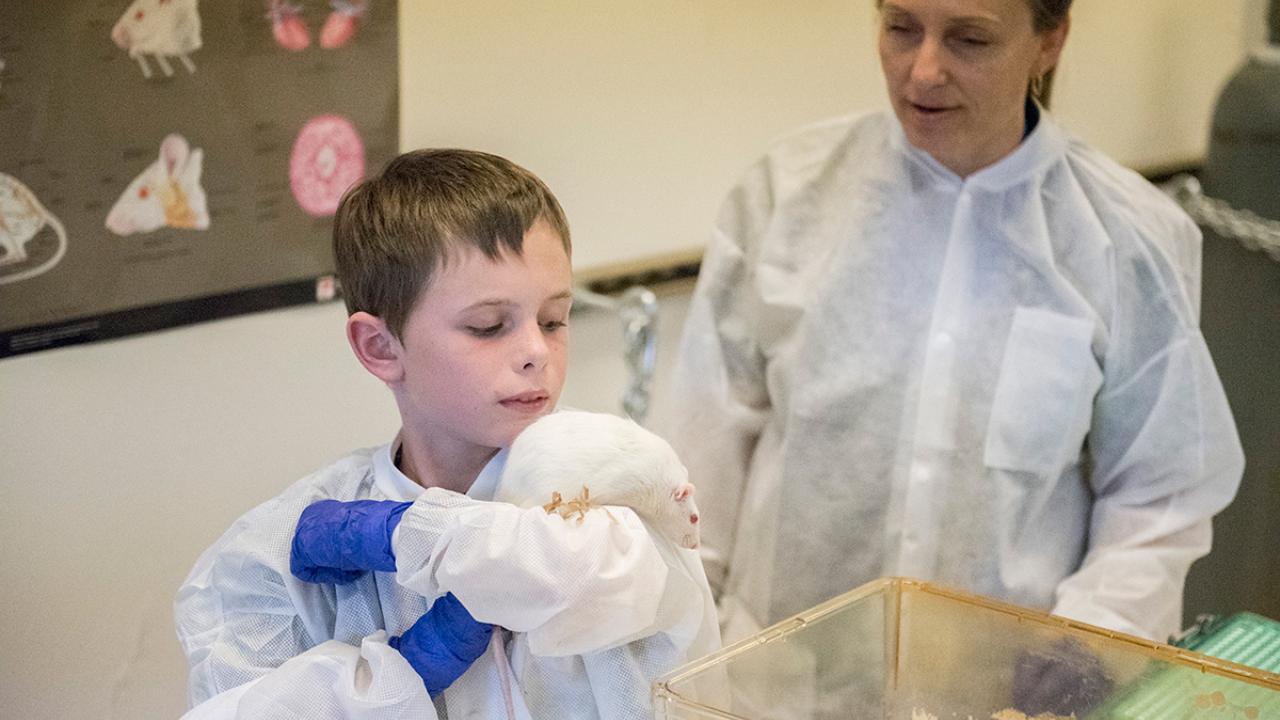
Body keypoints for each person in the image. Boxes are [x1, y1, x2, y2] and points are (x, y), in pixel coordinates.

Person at [668, 0, 1244, 654]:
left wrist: (1088, 642)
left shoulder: (1122, 237)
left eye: (970, 39)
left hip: (1001, 691)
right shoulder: (788, 195)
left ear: (1050, 41)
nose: (923, 72)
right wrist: (674, 648)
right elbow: (699, 461)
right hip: (779, 682)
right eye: (900, 29)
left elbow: (1159, 494)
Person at [175, 149, 719, 719]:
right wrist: (396, 678)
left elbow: (608, 584)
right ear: (381, 347)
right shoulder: (274, 560)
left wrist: (414, 535)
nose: (537, 352)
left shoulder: (617, 499)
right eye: (488, 326)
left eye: (555, 319)